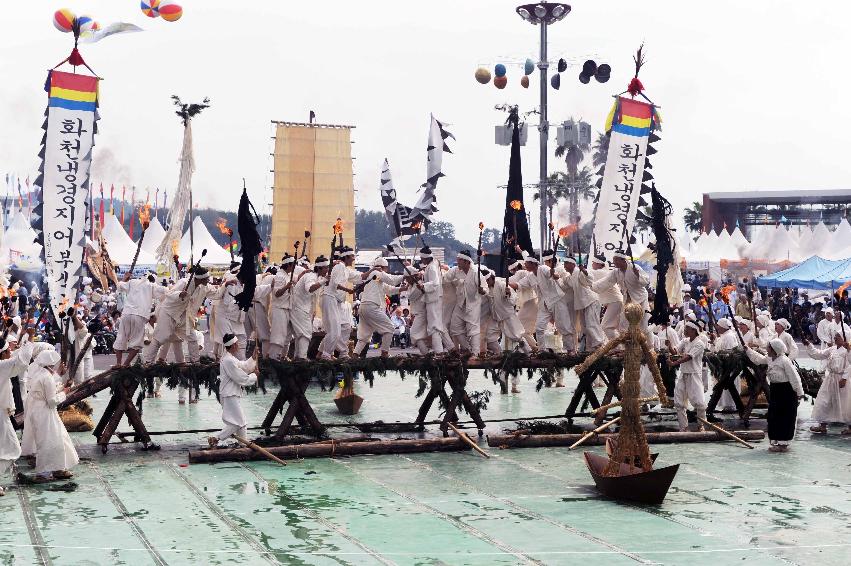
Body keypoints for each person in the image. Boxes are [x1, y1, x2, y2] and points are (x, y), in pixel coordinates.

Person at [24, 350, 79, 482]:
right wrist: (64, 392)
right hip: (45, 412)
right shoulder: (47, 377)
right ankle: (43, 473)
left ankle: (58, 468)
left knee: (57, 439)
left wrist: (62, 389)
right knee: (48, 442)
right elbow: (52, 400)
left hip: (39, 411)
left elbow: (47, 392)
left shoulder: (39, 374)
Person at [745, 339, 804, 452]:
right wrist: (748, 350)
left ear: (774, 349)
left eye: (768, 347)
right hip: (775, 389)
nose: (767, 349)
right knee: (774, 415)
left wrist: (799, 392)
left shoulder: (784, 361)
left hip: (786, 390)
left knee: (785, 416)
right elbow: (758, 359)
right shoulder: (770, 358)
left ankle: (783, 443)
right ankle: (776, 440)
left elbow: (794, 377)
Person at [208, 333, 257, 448]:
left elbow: (244, 366)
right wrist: (254, 376)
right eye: (237, 343)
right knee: (239, 423)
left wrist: (253, 357)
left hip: (231, 394)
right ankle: (216, 438)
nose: (239, 345)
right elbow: (241, 378)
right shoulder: (228, 360)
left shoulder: (230, 358)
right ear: (234, 345)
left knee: (241, 423)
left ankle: (243, 445)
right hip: (229, 394)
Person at [0, 335, 34, 495]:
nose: (10, 352)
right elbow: (20, 363)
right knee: (10, 448)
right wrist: (31, 339)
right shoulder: (1, 366)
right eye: (8, 350)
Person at [354, 257, 404, 357]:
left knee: (364, 335)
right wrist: (405, 275)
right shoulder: (377, 273)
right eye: (386, 268)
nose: (386, 271)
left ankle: (355, 355)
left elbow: (388, 289)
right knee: (389, 328)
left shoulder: (375, 277)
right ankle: (384, 352)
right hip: (371, 306)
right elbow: (392, 280)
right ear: (383, 267)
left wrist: (403, 288)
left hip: (364, 307)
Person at [805, 328, 851, 435]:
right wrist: (809, 345)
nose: (835, 338)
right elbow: (818, 354)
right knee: (824, 401)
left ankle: (850, 426)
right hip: (830, 379)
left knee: (846, 403)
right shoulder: (832, 349)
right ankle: (822, 425)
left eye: (837, 336)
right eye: (835, 336)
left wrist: (844, 378)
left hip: (842, 381)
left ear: (844, 338)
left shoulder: (847, 351)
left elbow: (849, 365)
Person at [592, 251, 650, 333]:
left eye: (616, 260)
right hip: (627, 300)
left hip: (641, 299)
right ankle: (625, 344)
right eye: (613, 260)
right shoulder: (616, 272)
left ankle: (650, 345)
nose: (614, 262)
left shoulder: (634, 267)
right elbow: (605, 281)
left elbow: (646, 281)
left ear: (623, 260)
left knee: (643, 325)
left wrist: (638, 275)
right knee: (623, 324)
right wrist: (591, 286)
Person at [114, 271, 163, 367]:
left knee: (121, 337)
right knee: (136, 342)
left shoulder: (132, 282)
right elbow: (164, 291)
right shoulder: (152, 286)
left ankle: (118, 363)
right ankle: (125, 364)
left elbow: (119, 286)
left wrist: (125, 278)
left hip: (127, 314)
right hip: (140, 315)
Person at [444, 250, 488, 356]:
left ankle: (476, 354)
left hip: (472, 305)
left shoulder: (476, 273)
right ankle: (467, 349)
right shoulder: (455, 270)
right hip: (460, 304)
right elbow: (444, 279)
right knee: (455, 329)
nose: (457, 262)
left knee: (473, 330)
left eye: (459, 260)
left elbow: (485, 289)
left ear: (466, 261)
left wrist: (482, 290)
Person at [668, 321, 707, 432]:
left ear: (694, 330)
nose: (684, 331)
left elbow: (689, 357)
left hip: (694, 374)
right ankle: (683, 427)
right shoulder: (685, 341)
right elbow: (675, 352)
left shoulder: (699, 343)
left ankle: (701, 425)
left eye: (687, 329)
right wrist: (669, 346)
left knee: (699, 403)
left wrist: (674, 364)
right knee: (679, 402)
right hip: (683, 374)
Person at [319, 248, 356, 360]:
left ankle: (326, 354)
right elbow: (335, 283)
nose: (354, 259)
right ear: (347, 257)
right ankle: (326, 355)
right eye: (352, 256)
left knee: (336, 330)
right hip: (329, 297)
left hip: (333, 299)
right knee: (334, 330)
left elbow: (359, 277)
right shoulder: (339, 266)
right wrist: (348, 290)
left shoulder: (343, 268)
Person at [563, 256, 606, 351]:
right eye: (564, 263)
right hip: (583, 304)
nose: (564, 265)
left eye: (566, 263)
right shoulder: (570, 277)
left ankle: (601, 347)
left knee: (592, 325)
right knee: (585, 328)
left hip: (591, 301)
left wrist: (585, 271)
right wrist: (554, 276)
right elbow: (564, 284)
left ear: (573, 264)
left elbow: (589, 280)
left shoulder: (579, 272)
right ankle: (590, 350)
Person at [289, 256, 328, 360]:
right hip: (299, 308)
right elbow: (310, 289)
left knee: (300, 334)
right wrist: (324, 280)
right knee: (305, 333)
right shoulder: (311, 276)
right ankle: (302, 357)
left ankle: (298, 357)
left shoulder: (316, 277)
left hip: (302, 309)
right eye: (326, 268)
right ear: (319, 268)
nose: (327, 270)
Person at [417, 246, 454, 353]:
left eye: (422, 258)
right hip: (433, 299)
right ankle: (451, 348)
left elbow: (435, 283)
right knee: (439, 325)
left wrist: (423, 286)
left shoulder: (432, 267)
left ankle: (439, 352)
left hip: (433, 299)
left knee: (434, 328)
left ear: (425, 258)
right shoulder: (434, 263)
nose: (421, 260)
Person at [589, 255, 623, 339]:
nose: (592, 265)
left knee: (606, 326)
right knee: (617, 328)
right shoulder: (605, 272)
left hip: (615, 302)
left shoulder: (601, 272)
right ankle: (620, 347)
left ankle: (617, 348)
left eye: (593, 263)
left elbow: (584, 275)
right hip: (615, 301)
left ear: (598, 264)